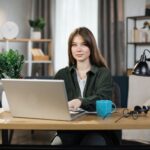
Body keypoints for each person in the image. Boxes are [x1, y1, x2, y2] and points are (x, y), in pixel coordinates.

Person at [54, 27, 119, 146]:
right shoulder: (61, 74)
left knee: (91, 143)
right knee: (55, 144)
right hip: (69, 129)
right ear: (70, 49)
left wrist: (80, 101)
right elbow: (53, 103)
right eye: (74, 45)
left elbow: (103, 98)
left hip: (97, 130)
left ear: (91, 47)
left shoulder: (103, 73)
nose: (78, 49)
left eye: (83, 44)